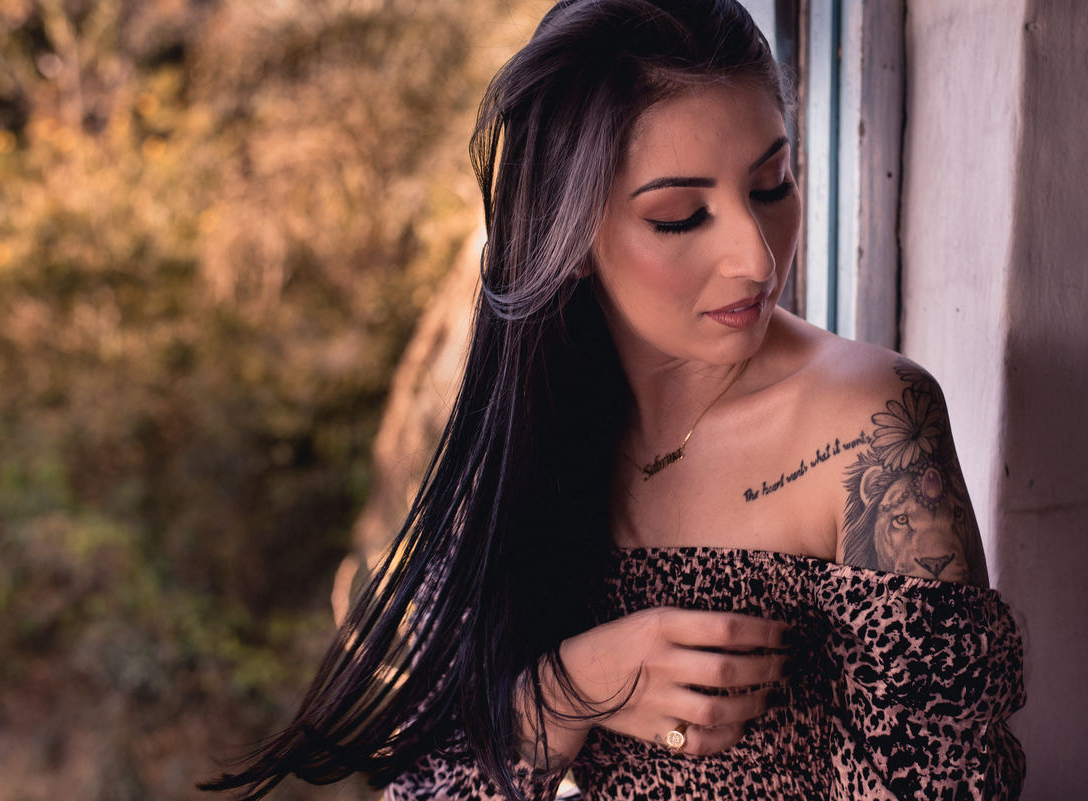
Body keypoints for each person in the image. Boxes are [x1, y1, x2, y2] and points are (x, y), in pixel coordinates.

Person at [203, 0, 1026, 798]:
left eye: (772, 184)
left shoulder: (873, 427)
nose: (755, 258)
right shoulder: (536, 432)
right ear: (571, 234)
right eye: (680, 216)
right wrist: (570, 689)